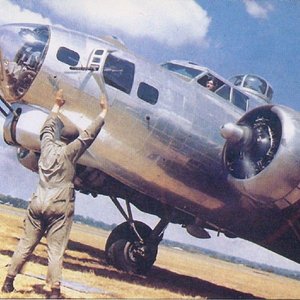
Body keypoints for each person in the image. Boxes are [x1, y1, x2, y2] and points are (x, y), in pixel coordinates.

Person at [1, 81, 108, 298]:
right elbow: (88, 136)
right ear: (69, 139)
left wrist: (56, 106)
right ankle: (54, 292)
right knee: (56, 250)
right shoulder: (70, 153)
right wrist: (103, 113)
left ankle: (8, 282)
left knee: (25, 244)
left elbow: (47, 127)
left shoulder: (46, 145)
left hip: (38, 200)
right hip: (60, 203)